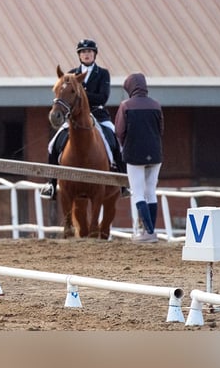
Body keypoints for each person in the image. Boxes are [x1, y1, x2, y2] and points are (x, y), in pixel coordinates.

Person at [41, 38, 127, 200]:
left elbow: (103, 97)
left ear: (94, 54)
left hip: (98, 114)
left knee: (115, 139)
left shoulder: (102, 73)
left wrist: (80, 95)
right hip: (75, 117)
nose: (86, 55)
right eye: (83, 52)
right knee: (53, 144)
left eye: (89, 52)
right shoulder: (71, 74)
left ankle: (123, 182)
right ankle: (51, 184)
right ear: (79, 55)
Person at [115, 72, 164, 243]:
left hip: (135, 154)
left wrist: (126, 145)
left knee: (138, 193)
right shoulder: (156, 105)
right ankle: (152, 231)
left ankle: (147, 232)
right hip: (156, 154)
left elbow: (119, 131)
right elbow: (160, 129)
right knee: (151, 191)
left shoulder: (125, 105)